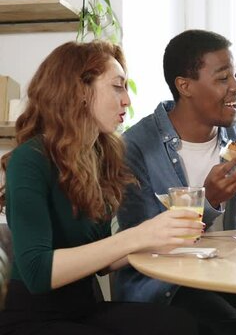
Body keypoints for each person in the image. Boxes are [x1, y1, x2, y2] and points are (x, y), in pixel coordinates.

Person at [113, 29, 236, 335]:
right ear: (185, 86)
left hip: (232, 277)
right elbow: (144, 243)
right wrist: (209, 202)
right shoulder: (136, 147)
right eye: (223, 78)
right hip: (167, 287)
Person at [0, 41, 199, 334]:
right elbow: (37, 272)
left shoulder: (100, 159)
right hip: (32, 316)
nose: (127, 100)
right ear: (80, 91)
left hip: (83, 308)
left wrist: (158, 238)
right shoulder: (30, 160)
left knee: (181, 324)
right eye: (117, 87)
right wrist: (136, 236)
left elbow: (102, 261)